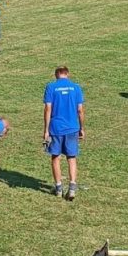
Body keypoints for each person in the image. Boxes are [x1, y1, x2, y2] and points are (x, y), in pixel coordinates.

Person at [43, 65, 86, 199]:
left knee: (55, 157)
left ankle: (58, 188)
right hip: (72, 127)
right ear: (68, 74)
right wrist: (81, 128)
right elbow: (80, 110)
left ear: (56, 75)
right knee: (71, 157)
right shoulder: (76, 87)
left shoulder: (51, 87)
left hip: (56, 128)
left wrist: (46, 129)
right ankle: (72, 187)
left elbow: (48, 109)